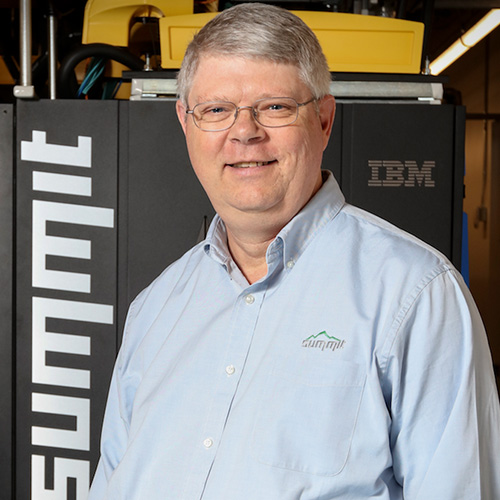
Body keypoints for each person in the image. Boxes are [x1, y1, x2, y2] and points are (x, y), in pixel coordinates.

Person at [89, 3, 500, 499]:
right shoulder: (154, 310)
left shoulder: (415, 296)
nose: (245, 132)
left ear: (324, 121)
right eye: (217, 110)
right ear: (185, 123)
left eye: (275, 106)